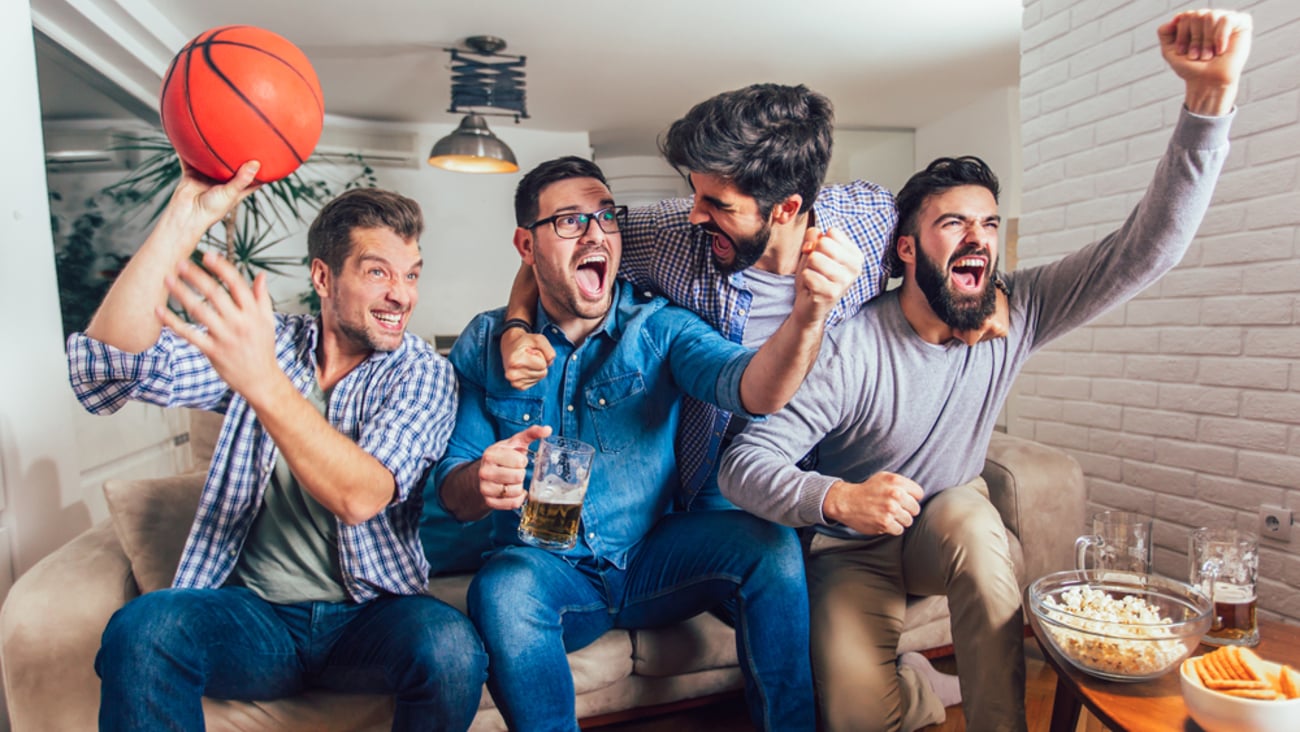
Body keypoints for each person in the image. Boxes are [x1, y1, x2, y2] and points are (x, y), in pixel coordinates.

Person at [716, 9, 1251, 732]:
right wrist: (839, 499)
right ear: (906, 250)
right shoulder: (852, 346)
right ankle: (916, 689)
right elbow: (743, 464)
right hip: (854, 549)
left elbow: (1145, 250)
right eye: (953, 225)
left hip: (948, 521)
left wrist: (1207, 103)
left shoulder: (1018, 309)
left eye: (990, 224)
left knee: (971, 519)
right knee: (853, 717)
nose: (979, 239)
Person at [432, 155, 859, 731]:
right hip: (547, 569)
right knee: (501, 590)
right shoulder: (489, 342)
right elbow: (453, 496)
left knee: (768, 544)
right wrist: (481, 479)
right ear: (526, 247)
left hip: (653, 557)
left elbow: (752, 387)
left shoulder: (657, 327)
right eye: (568, 221)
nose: (595, 231)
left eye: (606, 216)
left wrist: (811, 312)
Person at [67, 165, 487, 731]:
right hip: (252, 618)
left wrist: (262, 383)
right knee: (142, 631)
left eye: (412, 274)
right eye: (378, 272)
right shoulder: (268, 344)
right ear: (323, 277)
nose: (401, 294)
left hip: (370, 617)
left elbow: (362, 495)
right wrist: (182, 220)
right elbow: (108, 371)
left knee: (453, 651)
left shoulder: (422, 374)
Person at [499, 84, 1008, 511]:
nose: (696, 213)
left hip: (831, 473)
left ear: (786, 208)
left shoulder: (871, 222)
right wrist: (515, 328)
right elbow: (555, 252)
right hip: (716, 478)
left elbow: (948, 249)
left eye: (717, 204)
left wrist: (992, 298)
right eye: (695, 192)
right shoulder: (674, 233)